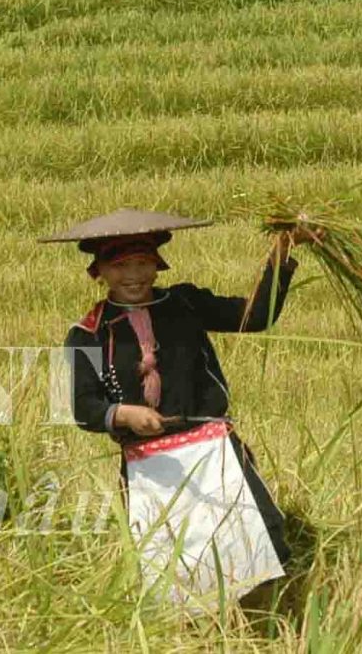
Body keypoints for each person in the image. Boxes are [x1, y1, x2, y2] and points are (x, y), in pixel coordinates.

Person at [46, 209, 319, 608]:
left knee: (260, 545)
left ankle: (266, 628)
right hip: (148, 469)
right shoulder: (86, 334)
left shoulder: (186, 303)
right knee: (173, 576)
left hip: (214, 453)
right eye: (120, 266)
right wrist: (124, 415)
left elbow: (256, 316)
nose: (134, 275)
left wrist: (282, 252)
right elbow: (84, 407)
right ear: (99, 270)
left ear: (157, 265)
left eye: (142, 263)